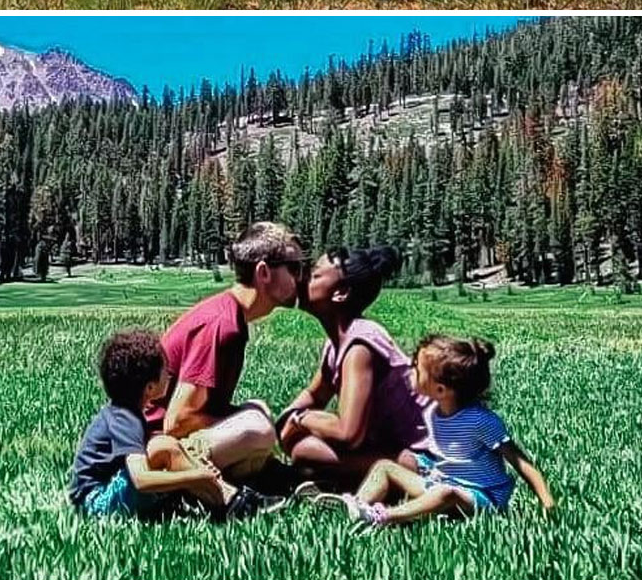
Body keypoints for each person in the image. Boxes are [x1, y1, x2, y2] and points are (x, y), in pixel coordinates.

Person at [308, 333, 554, 526]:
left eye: (417, 368)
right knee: (385, 467)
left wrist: (547, 503)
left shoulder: (482, 421)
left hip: (484, 498)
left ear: (441, 390)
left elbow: (521, 463)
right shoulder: (433, 414)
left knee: (446, 493)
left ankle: (383, 517)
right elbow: (447, 455)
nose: (410, 369)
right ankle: (356, 507)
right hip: (443, 482)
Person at [144, 222, 304, 486]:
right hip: (156, 444)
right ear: (263, 272)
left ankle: (258, 475)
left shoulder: (231, 317)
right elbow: (177, 420)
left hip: (166, 437)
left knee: (258, 411)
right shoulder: (222, 324)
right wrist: (245, 425)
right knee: (259, 428)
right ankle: (188, 481)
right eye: (294, 268)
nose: (300, 278)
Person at [68, 327, 285, 520]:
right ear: (150, 388)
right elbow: (140, 479)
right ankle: (231, 502)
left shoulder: (125, 412)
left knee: (164, 445)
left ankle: (225, 498)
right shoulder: (124, 419)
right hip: (95, 504)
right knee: (164, 447)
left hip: (104, 494)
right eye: (166, 371)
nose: (170, 375)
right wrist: (194, 477)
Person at [278, 245, 428, 488]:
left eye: (315, 275)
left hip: (423, 458)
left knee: (305, 451)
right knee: (303, 446)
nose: (303, 279)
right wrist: (282, 420)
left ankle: (395, 481)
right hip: (388, 446)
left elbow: (349, 434)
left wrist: (299, 420)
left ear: (341, 292)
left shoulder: (360, 346)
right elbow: (315, 393)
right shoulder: (338, 342)